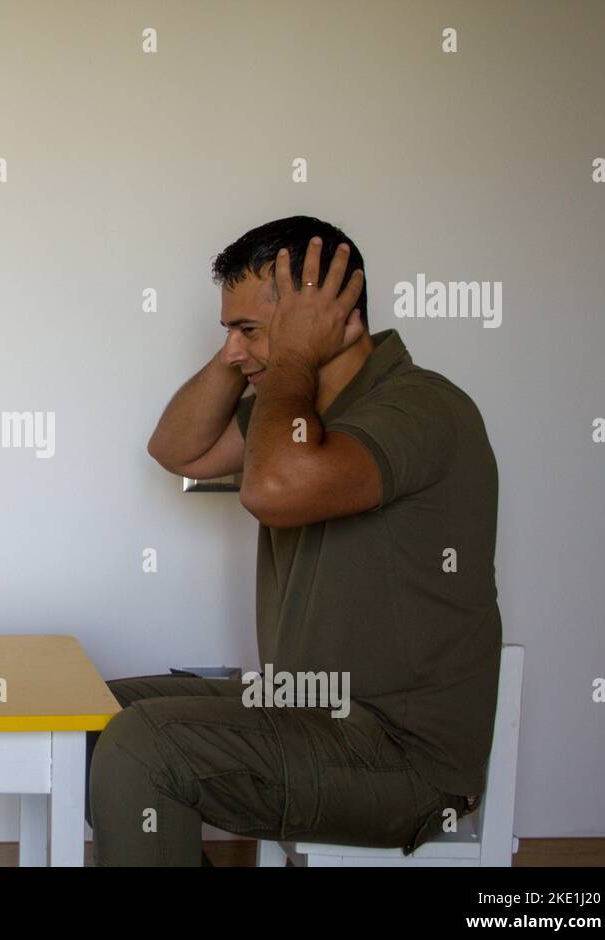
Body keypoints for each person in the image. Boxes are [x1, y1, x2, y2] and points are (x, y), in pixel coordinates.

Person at [86, 215, 500, 866]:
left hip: (398, 753)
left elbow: (273, 491)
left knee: (146, 743)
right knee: (84, 715)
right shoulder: (299, 414)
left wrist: (295, 352)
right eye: (229, 329)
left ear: (336, 318)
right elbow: (177, 450)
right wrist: (251, 353)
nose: (232, 350)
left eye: (248, 329)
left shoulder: (419, 408)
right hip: (306, 708)